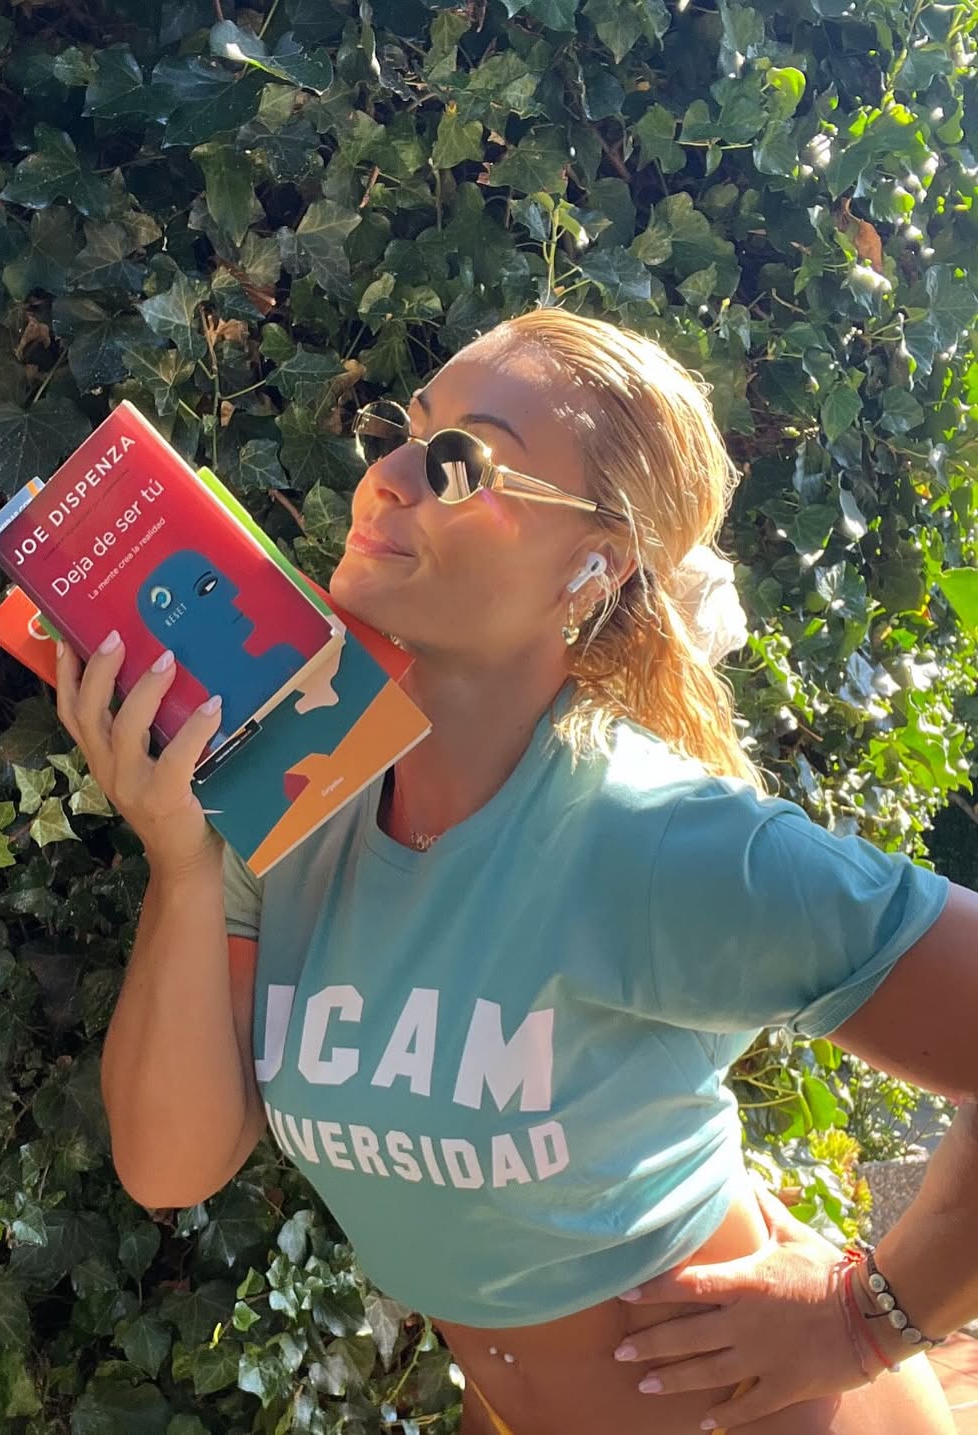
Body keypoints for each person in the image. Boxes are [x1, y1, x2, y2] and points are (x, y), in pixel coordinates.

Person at [56, 310, 978, 1435]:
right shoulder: (297, 801)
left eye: (460, 461)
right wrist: (181, 859)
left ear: (595, 561)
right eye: (401, 435)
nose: (388, 478)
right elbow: (170, 1165)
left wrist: (866, 1322)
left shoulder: (655, 837)